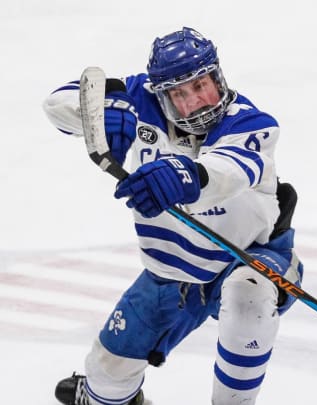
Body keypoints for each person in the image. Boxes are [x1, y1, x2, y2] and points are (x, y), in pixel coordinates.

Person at [42, 27, 303, 405]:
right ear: (161, 93)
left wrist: (185, 175)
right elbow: (57, 103)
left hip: (247, 259)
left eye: (202, 84)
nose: (197, 100)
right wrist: (103, 111)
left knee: (250, 295)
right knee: (105, 383)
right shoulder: (140, 98)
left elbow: (227, 174)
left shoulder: (252, 123)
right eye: (180, 94)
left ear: (218, 75)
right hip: (168, 273)